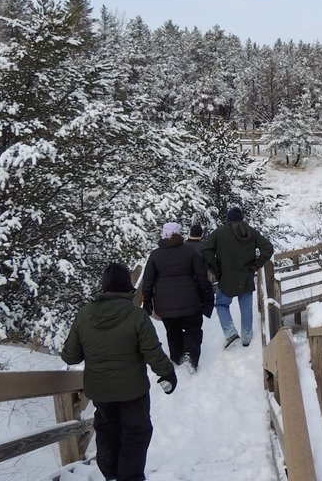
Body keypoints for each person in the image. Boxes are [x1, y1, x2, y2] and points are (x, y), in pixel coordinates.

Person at [61, 262, 177, 481]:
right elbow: (152, 350)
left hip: (100, 390)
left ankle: (110, 472)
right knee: (136, 431)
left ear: (103, 288)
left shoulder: (84, 315)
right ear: (127, 288)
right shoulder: (136, 315)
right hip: (133, 390)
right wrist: (167, 373)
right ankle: (130, 476)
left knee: (106, 428)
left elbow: (71, 356)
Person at [141, 222, 214, 371]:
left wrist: (147, 300)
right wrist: (206, 296)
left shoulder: (155, 255)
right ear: (179, 234)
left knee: (173, 331)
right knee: (192, 329)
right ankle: (191, 357)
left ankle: (177, 356)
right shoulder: (189, 252)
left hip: (165, 304)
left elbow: (148, 280)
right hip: (190, 300)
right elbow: (201, 277)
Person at [202, 206, 274, 348]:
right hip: (246, 277)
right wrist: (258, 263)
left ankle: (230, 333)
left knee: (221, 304)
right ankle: (246, 337)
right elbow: (268, 247)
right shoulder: (251, 232)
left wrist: (215, 267)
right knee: (246, 307)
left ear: (228, 219)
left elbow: (206, 250)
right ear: (241, 218)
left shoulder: (219, 233)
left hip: (226, 278)